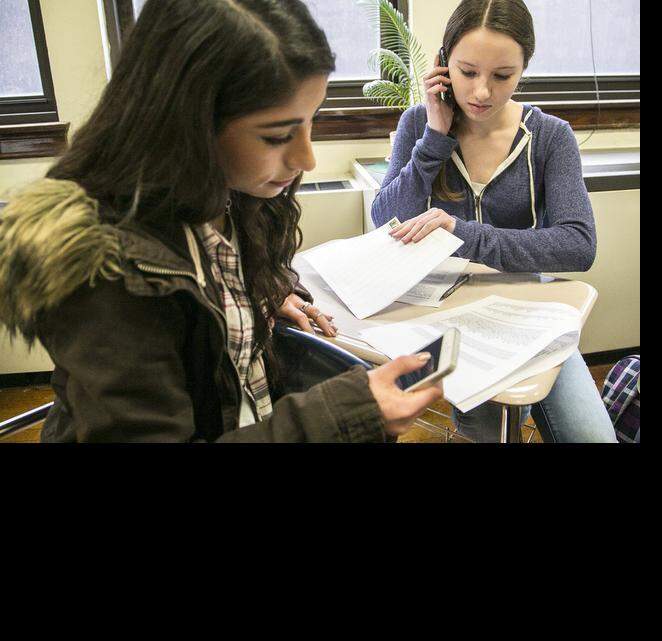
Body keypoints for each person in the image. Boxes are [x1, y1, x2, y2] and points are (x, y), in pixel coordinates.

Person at [0, 0, 441, 442]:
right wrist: (344, 415)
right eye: (276, 135)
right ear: (188, 123)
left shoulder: (231, 191)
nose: (306, 158)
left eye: (313, 121)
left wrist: (262, 292)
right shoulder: (107, 275)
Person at [371, 0, 616, 443]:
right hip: (445, 320)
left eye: (502, 76)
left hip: (528, 315)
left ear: (523, 69)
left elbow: (578, 245)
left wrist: (462, 234)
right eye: (467, 72)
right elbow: (384, 222)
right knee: (483, 430)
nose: (482, 92)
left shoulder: (549, 136)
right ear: (444, 63)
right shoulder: (417, 124)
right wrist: (434, 138)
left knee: (592, 436)